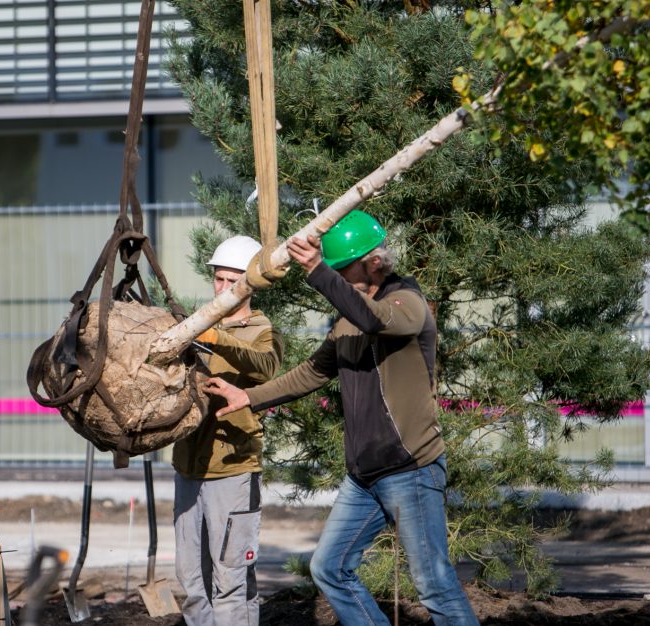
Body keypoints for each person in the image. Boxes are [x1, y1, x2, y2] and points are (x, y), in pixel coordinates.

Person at [204, 212, 479, 626]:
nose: (337, 278)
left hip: (410, 469)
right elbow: (312, 371)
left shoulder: (407, 303)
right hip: (364, 476)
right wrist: (248, 396)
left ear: (374, 261)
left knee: (435, 585)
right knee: (329, 569)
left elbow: (375, 319)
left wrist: (315, 268)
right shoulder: (347, 317)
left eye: (342, 269)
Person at [172, 234, 284, 626]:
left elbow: (265, 366)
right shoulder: (198, 324)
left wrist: (215, 337)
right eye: (218, 280)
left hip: (233, 469)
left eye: (232, 281)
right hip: (188, 467)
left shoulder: (260, 329)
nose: (223, 289)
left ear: (249, 284)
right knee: (190, 581)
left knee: (231, 578)